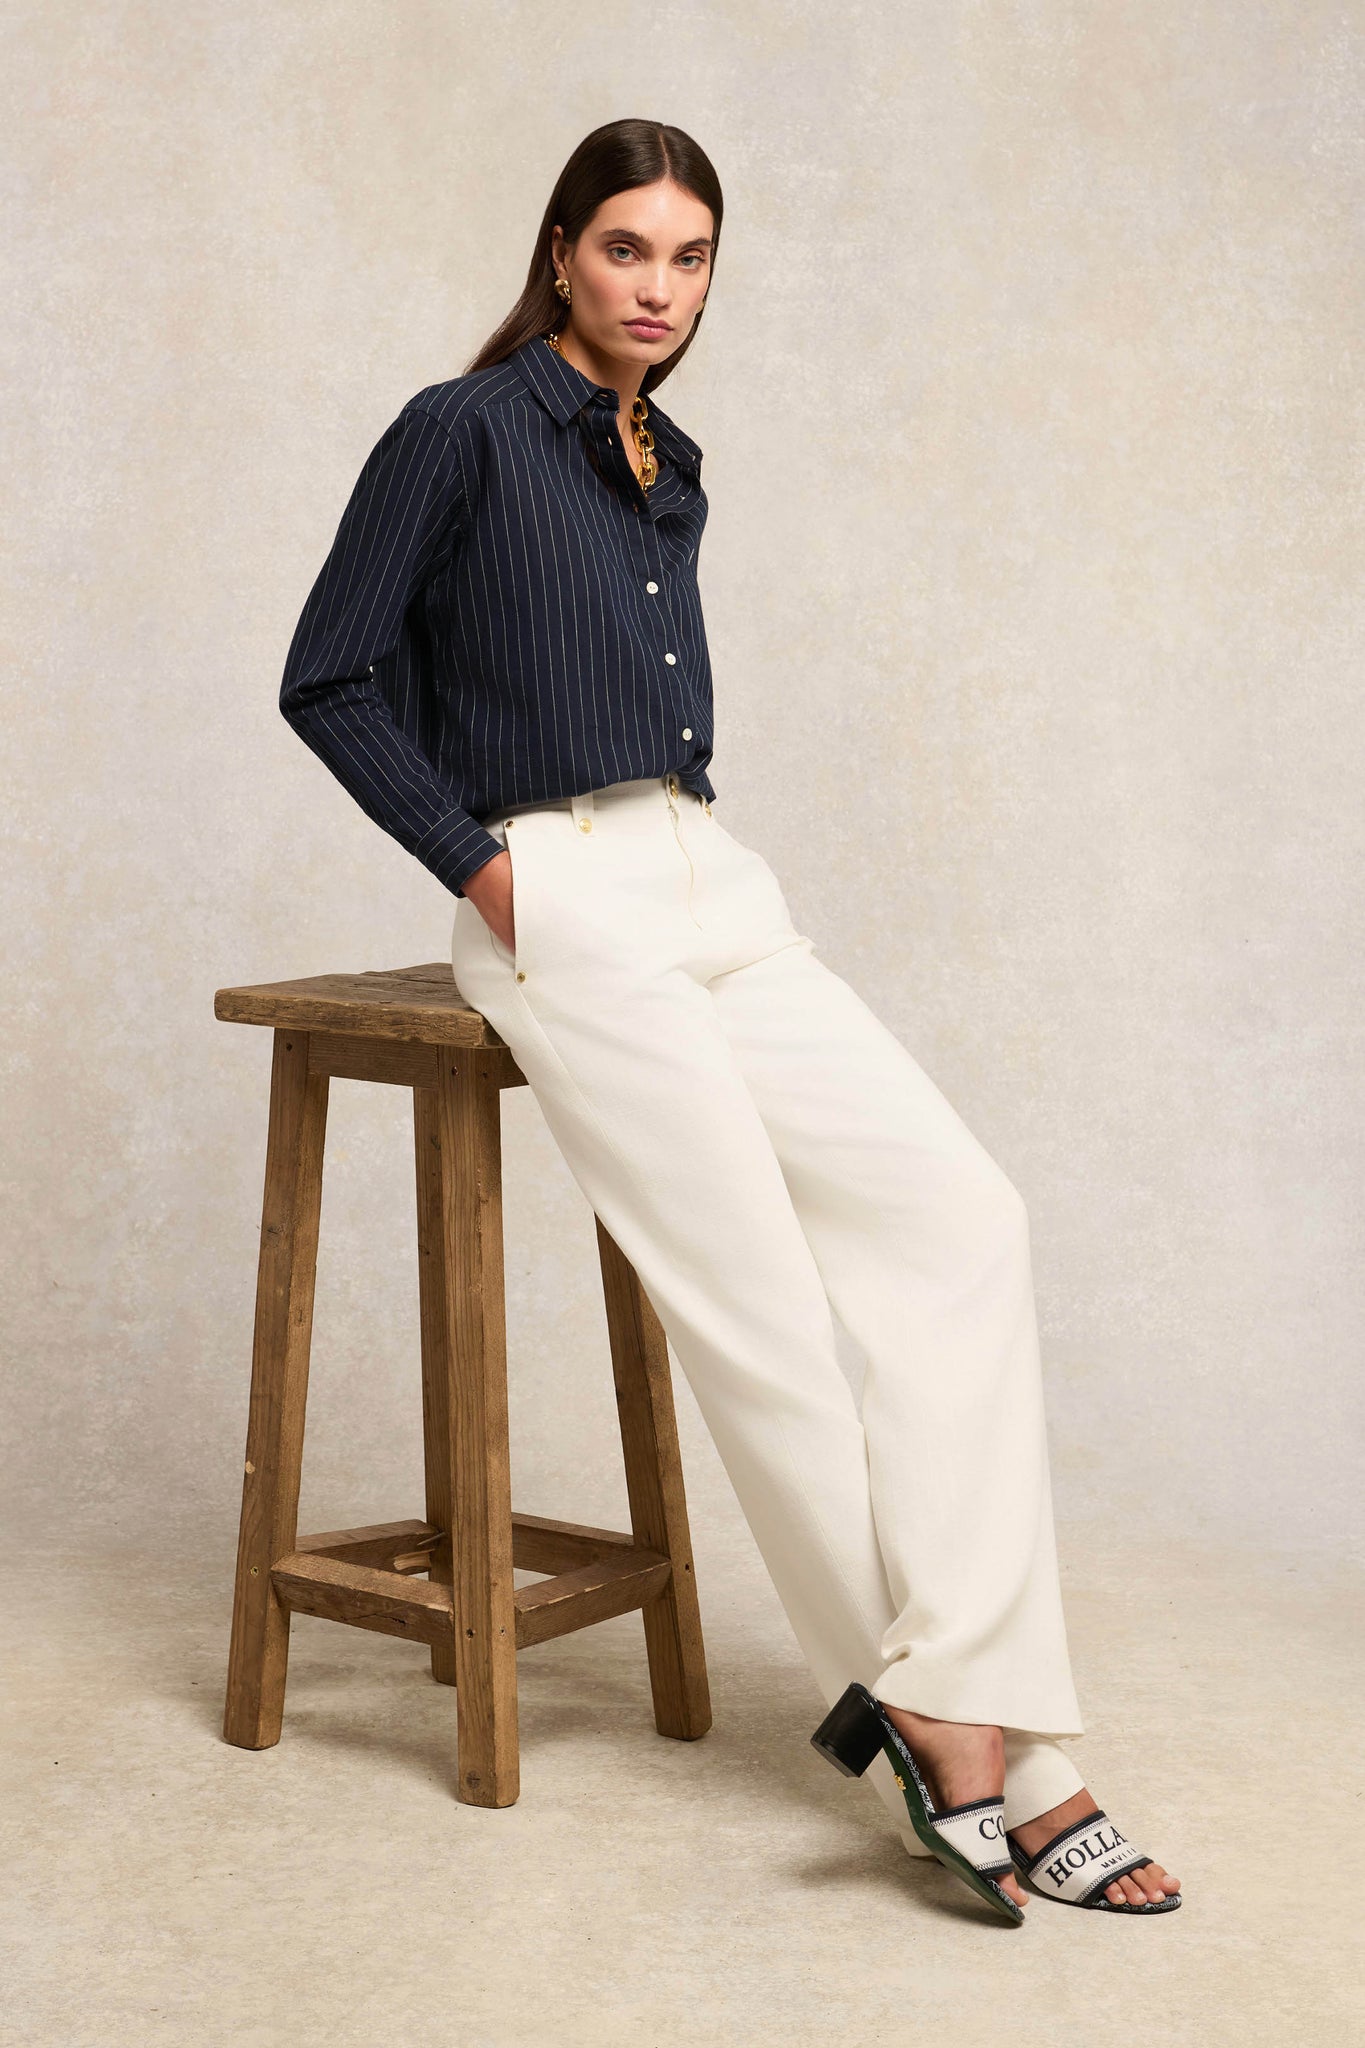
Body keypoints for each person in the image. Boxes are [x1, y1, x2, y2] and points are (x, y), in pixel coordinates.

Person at [278, 116, 1182, 1923]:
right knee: (761, 1305)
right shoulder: (457, 429)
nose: (658, 288)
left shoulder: (664, 455)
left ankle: (951, 1691)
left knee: (959, 1219)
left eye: (689, 258)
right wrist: (488, 874)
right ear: (560, 253)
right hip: (559, 892)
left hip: (711, 878)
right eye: (626, 249)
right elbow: (329, 675)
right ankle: (985, 1750)